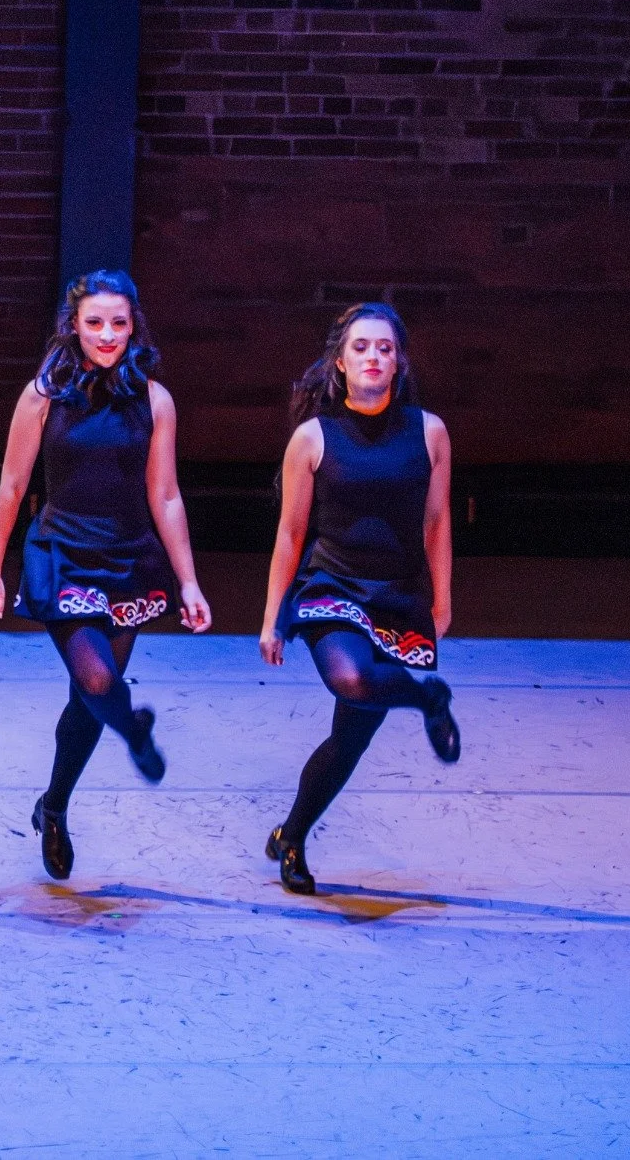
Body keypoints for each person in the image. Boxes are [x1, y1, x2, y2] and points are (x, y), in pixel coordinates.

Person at [0, 269, 211, 880]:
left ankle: (52, 807)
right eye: (95, 322)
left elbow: (167, 496)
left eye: (119, 323)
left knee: (88, 697)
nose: (107, 335)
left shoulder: (155, 400)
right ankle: (131, 730)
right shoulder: (43, 394)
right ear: (73, 326)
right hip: (62, 553)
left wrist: (188, 582)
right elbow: (12, 485)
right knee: (101, 683)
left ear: (135, 328)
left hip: (128, 558)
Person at [259, 302, 458, 896]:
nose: (374, 357)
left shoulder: (429, 432)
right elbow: (291, 533)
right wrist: (272, 616)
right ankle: (428, 699)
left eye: (385, 348)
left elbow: (439, 521)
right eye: (361, 348)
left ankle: (291, 834)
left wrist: (441, 600)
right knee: (349, 679)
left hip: (397, 598)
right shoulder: (313, 438)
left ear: (398, 362)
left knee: (351, 737)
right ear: (339, 364)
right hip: (333, 589)